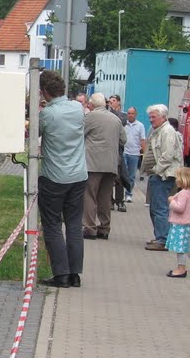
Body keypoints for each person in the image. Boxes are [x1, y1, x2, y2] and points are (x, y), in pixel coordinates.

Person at [37, 70, 88, 288]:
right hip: (79, 175)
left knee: (52, 225)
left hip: (54, 177)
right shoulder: (78, 108)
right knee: (75, 225)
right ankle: (75, 274)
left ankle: (61, 275)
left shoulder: (47, 114)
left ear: (44, 91)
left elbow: (33, 136)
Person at [82, 93, 125, 240]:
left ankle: (89, 228)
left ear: (92, 105)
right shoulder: (116, 119)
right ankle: (104, 229)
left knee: (89, 195)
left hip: (93, 164)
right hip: (111, 164)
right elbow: (123, 139)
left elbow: (79, 134)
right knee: (105, 198)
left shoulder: (90, 117)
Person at [142, 104, 182, 251]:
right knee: (155, 208)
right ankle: (160, 236)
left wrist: (156, 170)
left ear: (163, 117)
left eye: (153, 117)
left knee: (160, 208)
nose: (150, 120)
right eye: (150, 117)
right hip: (158, 175)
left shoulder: (167, 132)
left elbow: (167, 155)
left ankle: (162, 239)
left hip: (163, 175)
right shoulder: (159, 130)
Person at [165, 167, 190, 278]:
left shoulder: (184, 193)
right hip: (186, 224)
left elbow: (180, 208)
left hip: (181, 224)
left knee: (181, 249)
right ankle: (181, 268)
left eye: (178, 178)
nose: (176, 180)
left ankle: (181, 269)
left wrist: (171, 201)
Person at [122, 107, 147, 207]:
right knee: (124, 174)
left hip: (134, 153)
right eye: (129, 113)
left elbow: (142, 140)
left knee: (131, 175)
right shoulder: (123, 125)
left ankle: (129, 194)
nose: (130, 115)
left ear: (135, 114)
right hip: (124, 152)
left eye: (132, 113)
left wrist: (144, 153)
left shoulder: (140, 125)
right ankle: (122, 193)